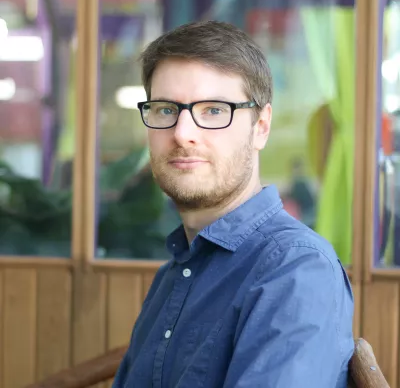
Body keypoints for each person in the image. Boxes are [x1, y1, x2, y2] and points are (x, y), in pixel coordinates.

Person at [113, 20, 354, 388]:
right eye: (165, 109)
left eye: (213, 110)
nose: (182, 133)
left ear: (261, 127)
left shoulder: (296, 271)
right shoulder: (174, 274)